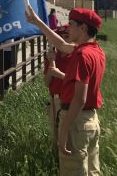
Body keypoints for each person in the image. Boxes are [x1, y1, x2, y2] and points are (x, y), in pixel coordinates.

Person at [26, 6, 105, 176]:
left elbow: (79, 99)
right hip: (91, 120)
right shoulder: (95, 51)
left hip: (75, 122)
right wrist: (38, 22)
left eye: (71, 24)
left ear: (82, 28)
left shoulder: (81, 55)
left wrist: (63, 131)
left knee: (73, 171)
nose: (68, 28)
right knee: (92, 171)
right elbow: (61, 44)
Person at [44, 24, 72, 152]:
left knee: (67, 138)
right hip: (54, 100)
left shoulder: (75, 56)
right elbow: (47, 82)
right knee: (55, 137)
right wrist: (51, 62)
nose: (63, 39)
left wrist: (59, 74)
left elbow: (77, 82)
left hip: (68, 102)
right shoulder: (52, 57)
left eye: (66, 36)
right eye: (60, 37)